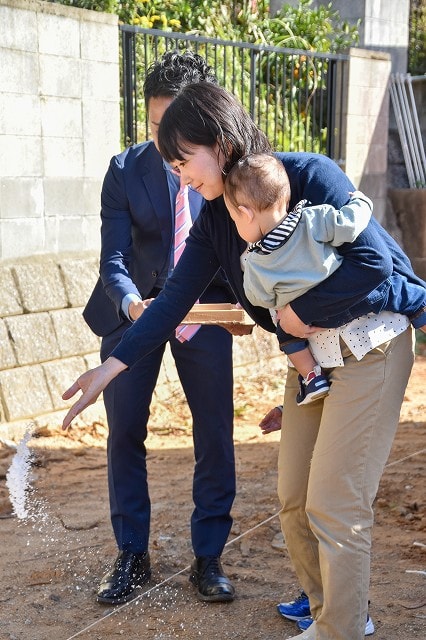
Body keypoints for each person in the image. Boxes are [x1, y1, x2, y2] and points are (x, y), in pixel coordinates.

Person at [61, 83, 426, 639]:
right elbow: (173, 302)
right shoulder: (214, 221)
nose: (180, 177)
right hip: (314, 363)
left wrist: (300, 314)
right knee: (294, 500)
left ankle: (343, 628)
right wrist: (111, 368)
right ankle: (328, 601)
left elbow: (374, 262)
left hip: (369, 345)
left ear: (221, 142)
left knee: (335, 503)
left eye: (183, 161)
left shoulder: (307, 176)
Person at [82, 52, 238, 606]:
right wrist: (131, 307)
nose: (165, 142)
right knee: (125, 430)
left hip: (207, 310)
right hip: (134, 316)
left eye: (176, 126)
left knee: (215, 431)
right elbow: (113, 259)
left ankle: (209, 558)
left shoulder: (226, 169)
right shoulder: (124, 171)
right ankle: (131, 553)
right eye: (154, 126)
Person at [223, 152, 373, 405]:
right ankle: (419, 309)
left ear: (245, 214)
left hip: (303, 324)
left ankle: (312, 377)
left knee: (286, 335)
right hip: (340, 303)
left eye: (234, 218)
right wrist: (361, 203)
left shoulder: (257, 260)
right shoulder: (312, 218)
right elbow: (347, 226)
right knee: (399, 294)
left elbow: (258, 297)